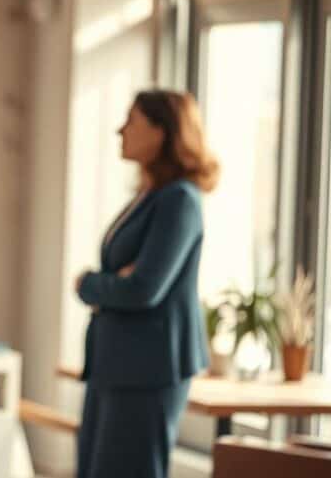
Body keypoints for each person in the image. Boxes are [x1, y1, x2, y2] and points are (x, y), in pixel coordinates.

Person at [74, 89, 220, 478]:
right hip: (113, 362)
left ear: (161, 131)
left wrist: (89, 284)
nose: (120, 130)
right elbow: (129, 282)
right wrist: (113, 283)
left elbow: (143, 289)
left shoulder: (180, 200)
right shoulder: (150, 194)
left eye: (132, 121)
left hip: (148, 367)